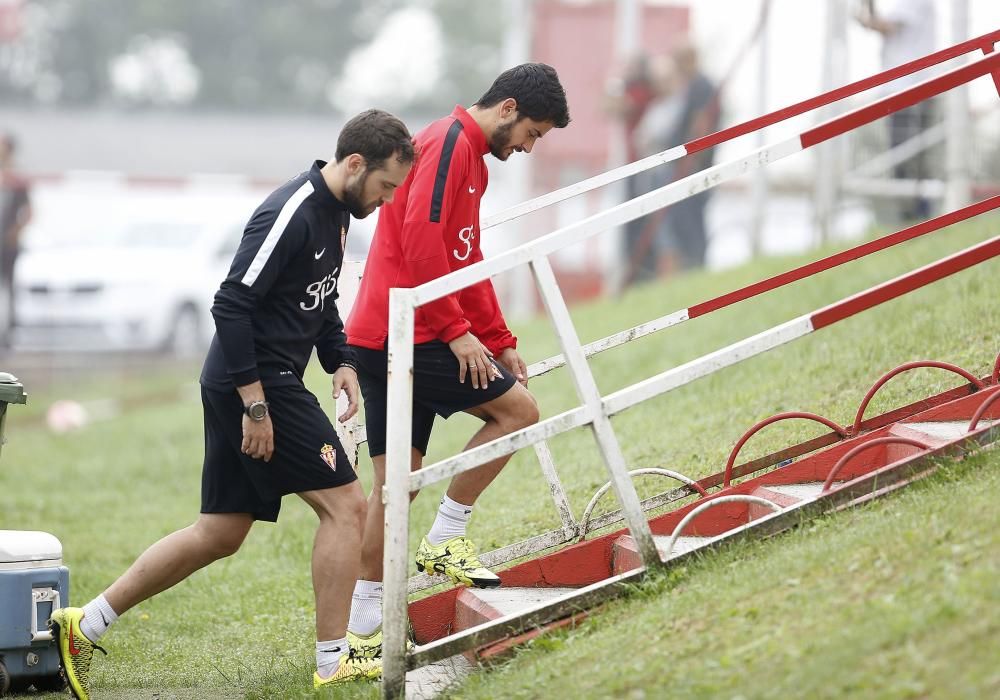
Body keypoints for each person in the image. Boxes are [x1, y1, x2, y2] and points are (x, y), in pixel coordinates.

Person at [47, 109, 415, 698]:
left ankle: (83, 625)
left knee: (219, 531)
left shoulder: (340, 213)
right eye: (386, 186)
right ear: (354, 164)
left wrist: (340, 359)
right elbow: (230, 305)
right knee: (348, 507)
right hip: (255, 382)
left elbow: (318, 300)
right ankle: (333, 663)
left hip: (254, 381)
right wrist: (257, 407)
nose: (387, 200)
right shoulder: (290, 212)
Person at [343, 63, 570, 659]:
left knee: (394, 490)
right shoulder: (448, 142)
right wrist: (457, 332)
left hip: (389, 331)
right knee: (519, 412)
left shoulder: (467, 156)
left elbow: (465, 258)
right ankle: (447, 539)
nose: (527, 147)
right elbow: (421, 239)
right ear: (508, 108)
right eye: (533, 134)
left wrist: (496, 337)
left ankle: (361, 638)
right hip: (410, 333)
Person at [856, 0, 938, 221]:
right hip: (905, 88)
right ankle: (914, 217)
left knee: (908, 159)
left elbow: (885, 26)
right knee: (906, 159)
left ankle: (917, 218)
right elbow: (879, 25)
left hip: (910, 89)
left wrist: (865, 12)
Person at [0, 132, 32, 346]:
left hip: (7, 246)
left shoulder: (17, 181)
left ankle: (8, 334)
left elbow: (29, 212)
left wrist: (14, 232)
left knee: (8, 288)